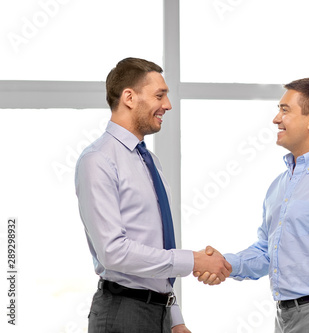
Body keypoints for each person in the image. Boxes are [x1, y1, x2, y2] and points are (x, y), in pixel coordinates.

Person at [196, 78, 309, 333]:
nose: (276, 119)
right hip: (284, 318)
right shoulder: (278, 186)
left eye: (285, 110)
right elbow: (267, 251)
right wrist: (226, 264)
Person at [75, 57, 231, 333]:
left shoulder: (149, 161)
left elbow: (155, 246)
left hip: (157, 313)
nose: (167, 105)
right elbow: (113, 252)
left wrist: (174, 317)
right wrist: (193, 260)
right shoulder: (98, 160)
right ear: (129, 97)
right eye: (160, 95)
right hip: (123, 314)